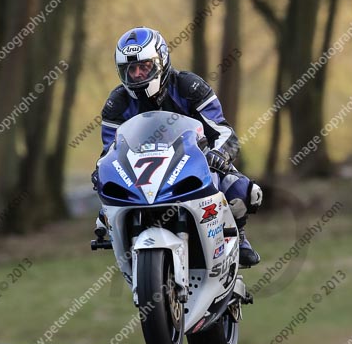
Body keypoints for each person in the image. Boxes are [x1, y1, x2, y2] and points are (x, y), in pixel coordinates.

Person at [92, 26, 261, 267]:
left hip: (194, 163)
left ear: (161, 62)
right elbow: (110, 149)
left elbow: (224, 131)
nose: (138, 75)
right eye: (130, 69)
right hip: (142, 175)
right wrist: (100, 171)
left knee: (243, 191)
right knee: (105, 211)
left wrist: (218, 155)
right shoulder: (116, 103)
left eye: (144, 66)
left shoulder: (189, 87)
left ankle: (239, 237)